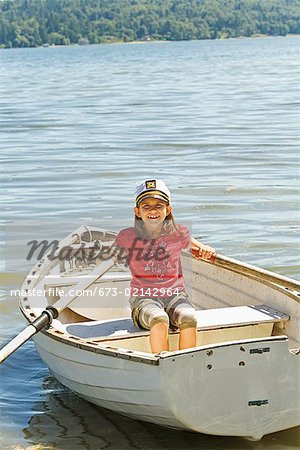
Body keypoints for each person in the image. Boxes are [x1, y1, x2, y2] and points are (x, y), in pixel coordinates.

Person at [114, 179, 216, 353]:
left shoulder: (179, 233)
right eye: (146, 206)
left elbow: (196, 247)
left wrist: (205, 250)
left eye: (158, 206)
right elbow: (111, 255)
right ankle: (163, 362)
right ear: (137, 212)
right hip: (144, 299)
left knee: (189, 317)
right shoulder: (127, 236)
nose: (152, 210)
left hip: (175, 296)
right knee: (159, 318)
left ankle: (186, 362)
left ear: (167, 210)